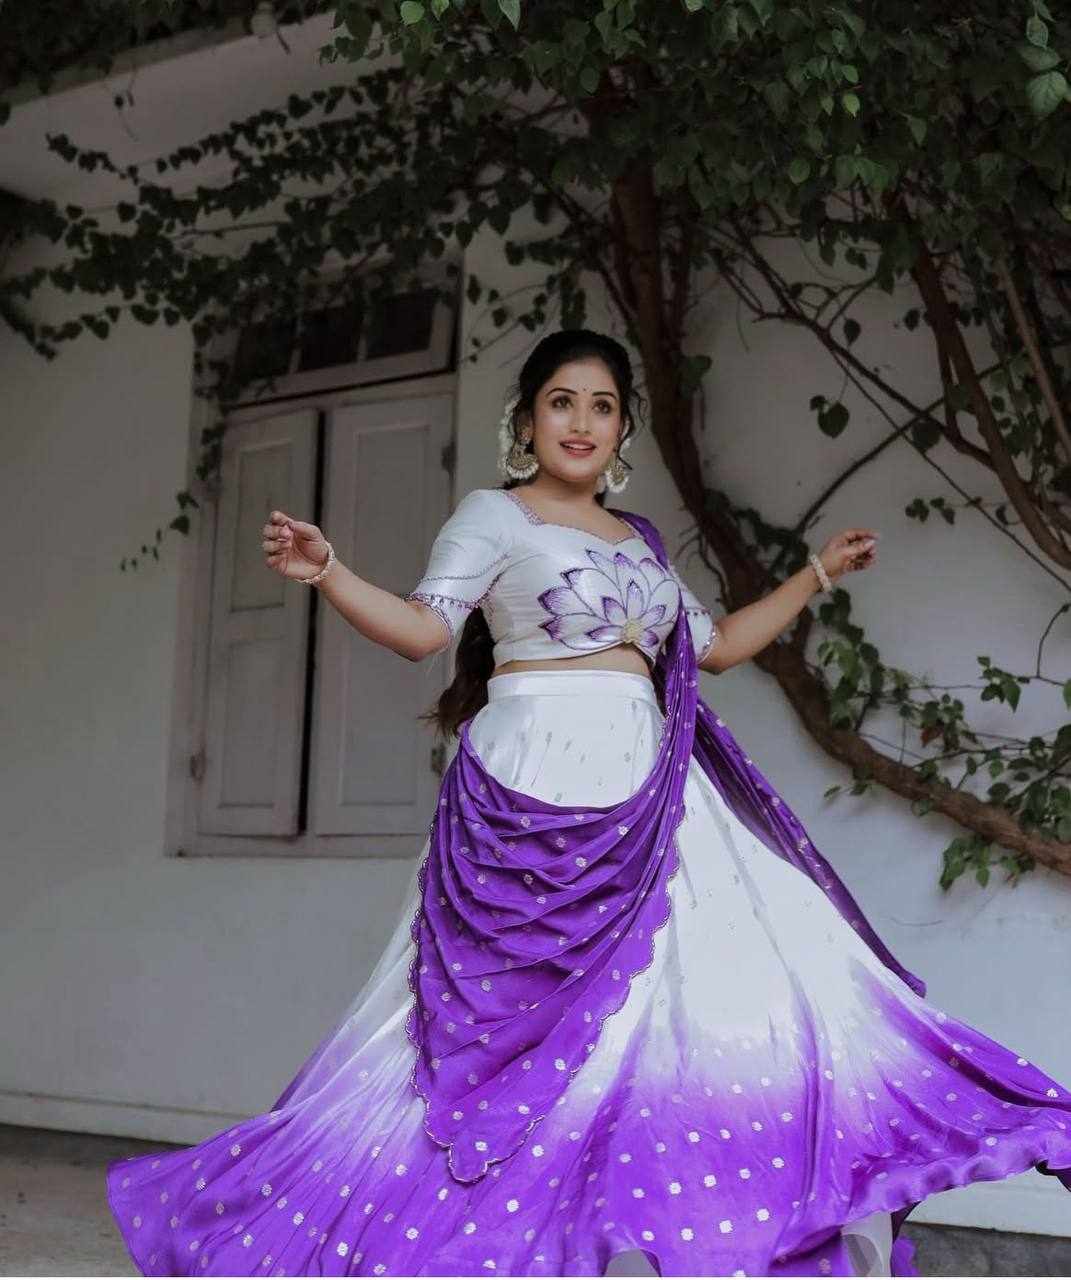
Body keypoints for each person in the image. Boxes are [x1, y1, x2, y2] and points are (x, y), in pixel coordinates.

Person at [106, 329, 1071, 1278]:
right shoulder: (493, 517)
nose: (581, 422)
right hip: (532, 778)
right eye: (561, 402)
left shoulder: (638, 539)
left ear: (621, 429)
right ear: (526, 420)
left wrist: (814, 574)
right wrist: (328, 571)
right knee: (492, 1037)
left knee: (753, 988)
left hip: (652, 790)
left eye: (601, 406)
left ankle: (671, 1233)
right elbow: (421, 631)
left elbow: (715, 648)